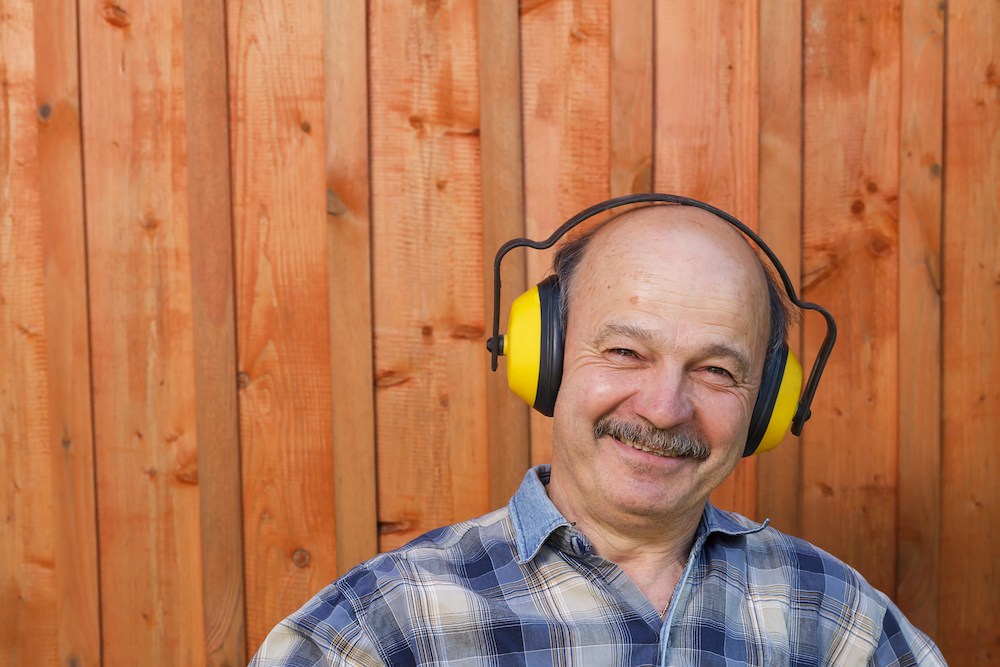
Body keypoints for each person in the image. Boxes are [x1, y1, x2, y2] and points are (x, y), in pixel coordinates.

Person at [250, 202, 945, 665]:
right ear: (543, 358)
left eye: (714, 368)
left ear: (764, 405)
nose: (665, 406)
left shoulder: (840, 623)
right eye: (625, 352)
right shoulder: (381, 628)